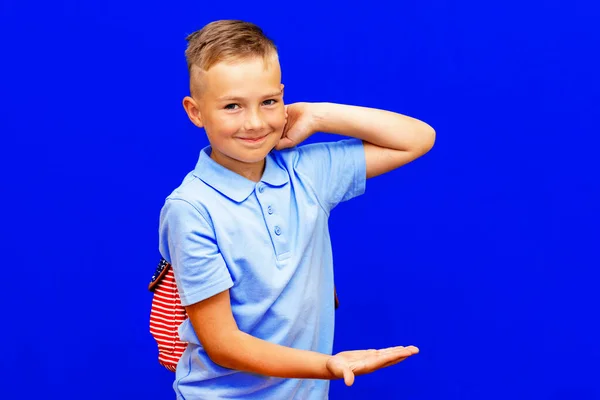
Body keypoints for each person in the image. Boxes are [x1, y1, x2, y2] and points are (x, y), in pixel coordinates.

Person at [158, 19, 435, 399]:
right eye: (232, 106)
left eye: (268, 102)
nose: (255, 122)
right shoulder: (191, 208)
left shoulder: (307, 173)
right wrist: (327, 366)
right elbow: (222, 343)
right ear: (195, 111)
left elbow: (417, 139)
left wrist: (319, 116)